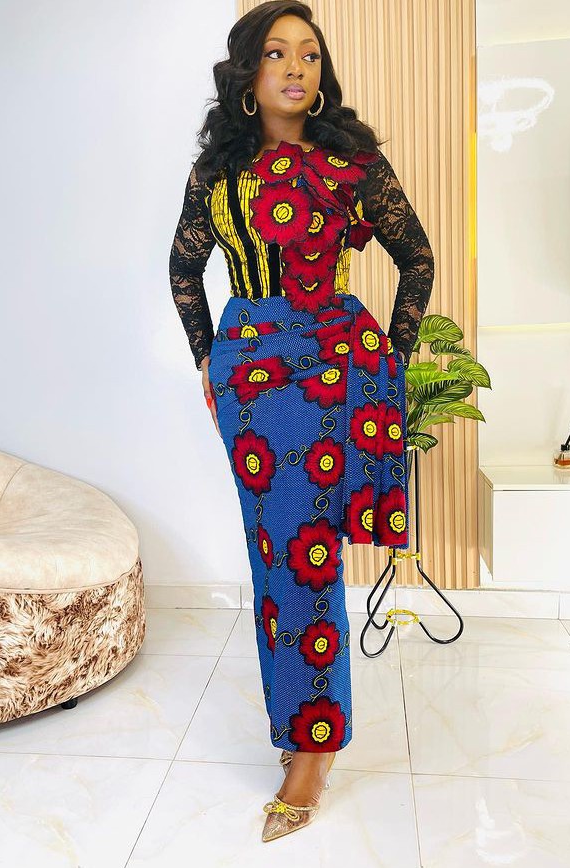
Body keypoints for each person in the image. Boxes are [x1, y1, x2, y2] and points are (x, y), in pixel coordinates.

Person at [168, 0, 434, 843]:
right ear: (248, 74)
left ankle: (312, 750)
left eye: (309, 54)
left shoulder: (352, 163)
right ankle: (300, 726)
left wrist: (390, 360)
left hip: (334, 370)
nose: (294, 67)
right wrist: (208, 358)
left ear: (321, 73)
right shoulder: (218, 174)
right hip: (252, 381)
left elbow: (417, 258)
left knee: (307, 552)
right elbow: (182, 270)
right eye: (276, 53)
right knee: (275, 555)